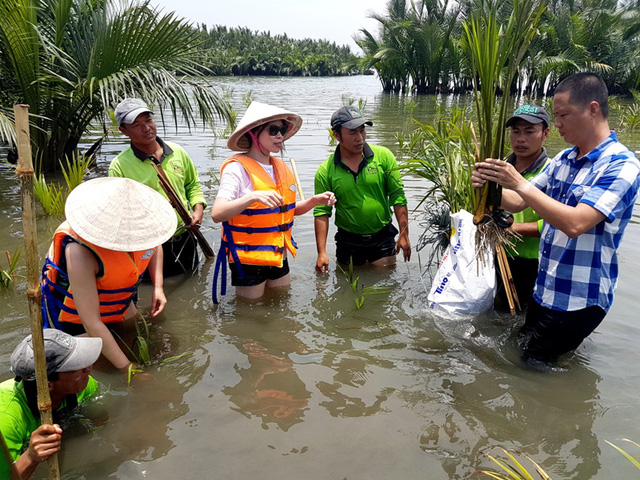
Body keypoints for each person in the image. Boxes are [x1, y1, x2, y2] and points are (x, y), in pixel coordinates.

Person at [472, 72, 640, 363]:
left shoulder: (622, 165)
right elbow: (516, 201)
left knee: (531, 371)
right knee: (525, 356)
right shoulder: (564, 160)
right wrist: (490, 186)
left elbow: (576, 223)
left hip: (578, 299)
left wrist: (519, 182)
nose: (558, 124)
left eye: (562, 115)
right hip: (545, 288)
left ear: (592, 109)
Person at [41, 177, 177, 371]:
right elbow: (91, 322)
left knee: (137, 331)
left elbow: (155, 247)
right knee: (92, 366)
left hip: (116, 296)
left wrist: (158, 287)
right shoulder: (79, 251)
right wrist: (128, 369)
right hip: (76, 316)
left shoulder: (144, 231)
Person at [211, 101, 335, 302]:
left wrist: (314, 201)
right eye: (273, 130)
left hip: (279, 254)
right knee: (249, 316)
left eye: (283, 130)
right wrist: (251, 197)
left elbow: (287, 211)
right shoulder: (237, 169)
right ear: (253, 133)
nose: (280, 135)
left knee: (281, 305)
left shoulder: (280, 168)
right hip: (248, 258)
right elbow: (217, 213)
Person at [109, 98, 207, 277]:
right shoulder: (119, 166)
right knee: (151, 291)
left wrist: (198, 210)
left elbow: (192, 185)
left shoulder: (178, 152)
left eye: (148, 120)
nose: (146, 128)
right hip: (148, 246)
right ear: (123, 131)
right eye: (137, 124)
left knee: (192, 282)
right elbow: (119, 213)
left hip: (184, 239)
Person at [313, 106, 410, 272]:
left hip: (382, 237)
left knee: (385, 287)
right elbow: (322, 212)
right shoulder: (326, 171)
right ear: (336, 135)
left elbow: (397, 196)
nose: (360, 138)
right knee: (347, 289)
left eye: (362, 130)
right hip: (348, 241)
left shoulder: (384, 157)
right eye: (352, 132)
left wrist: (404, 234)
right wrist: (321, 252)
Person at [0, 329, 102, 479]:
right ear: (47, 385)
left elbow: (100, 420)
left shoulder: (84, 385)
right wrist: (30, 457)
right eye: (77, 366)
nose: (89, 368)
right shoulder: (6, 419)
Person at [496, 105, 550, 309]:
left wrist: (513, 229)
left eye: (529, 132)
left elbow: (555, 223)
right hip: (497, 255)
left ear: (545, 134)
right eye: (516, 131)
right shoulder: (500, 168)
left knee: (523, 318)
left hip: (531, 263)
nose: (520, 139)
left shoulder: (551, 171)